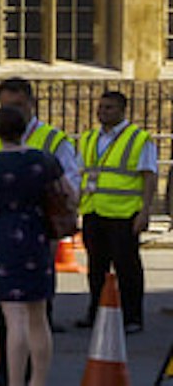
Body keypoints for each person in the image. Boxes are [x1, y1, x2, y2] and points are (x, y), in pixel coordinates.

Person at [0, 94, 77, 386]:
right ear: (25, 128)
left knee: (13, 318)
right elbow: (70, 196)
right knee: (38, 316)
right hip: (36, 234)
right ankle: (38, 380)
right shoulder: (45, 160)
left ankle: (15, 381)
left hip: (2, 235)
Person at [75, 85, 157, 335]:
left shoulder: (138, 139)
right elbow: (81, 174)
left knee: (127, 268)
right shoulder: (89, 138)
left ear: (122, 110)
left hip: (124, 214)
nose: (102, 112)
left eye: (109, 108)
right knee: (96, 267)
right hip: (94, 211)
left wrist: (144, 212)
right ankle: (96, 312)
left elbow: (149, 176)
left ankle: (132, 317)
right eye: (100, 107)